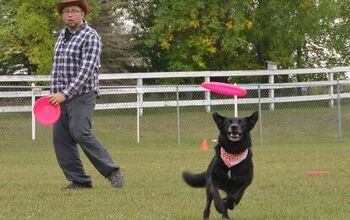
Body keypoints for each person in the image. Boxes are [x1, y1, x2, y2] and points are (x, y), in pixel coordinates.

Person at [48, 0, 124, 190]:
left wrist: (65, 94)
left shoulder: (91, 36)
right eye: (66, 12)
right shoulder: (61, 36)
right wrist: (54, 94)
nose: (70, 15)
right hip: (59, 97)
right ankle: (79, 181)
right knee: (61, 138)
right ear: (62, 16)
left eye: (74, 11)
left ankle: (112, 171)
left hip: (82, 94)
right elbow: (57, 69)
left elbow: (87, 70)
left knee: (80, 132)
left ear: (83, 14)